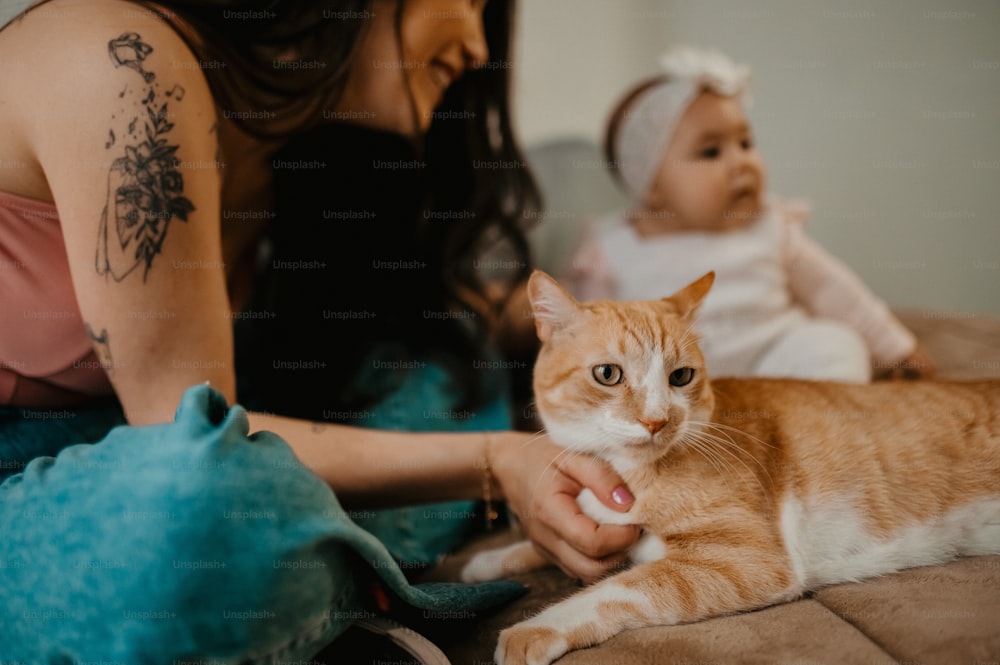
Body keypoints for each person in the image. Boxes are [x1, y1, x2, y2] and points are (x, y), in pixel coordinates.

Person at [0, 1, 639, 661]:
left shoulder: (293, 160)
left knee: (440, 381)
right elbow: (192, 438)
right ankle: (342, 594)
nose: (479, 44)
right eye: (470, 0)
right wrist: (499, 460)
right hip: (89, 475)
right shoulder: (124, 63)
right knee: (207, 512)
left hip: (124, 455)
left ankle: (304, 583)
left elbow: (438, 311)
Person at [569, 46, 933, 383]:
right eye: (711, 152)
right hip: (675, 385)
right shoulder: (612, 249)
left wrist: (894, 346)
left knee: (835, 344)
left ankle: (818, 426)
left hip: (774, 363)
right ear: (650, 183)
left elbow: (832, 290)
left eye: (745, 143)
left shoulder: (769, 225)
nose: (740, 162)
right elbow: (585, 333)